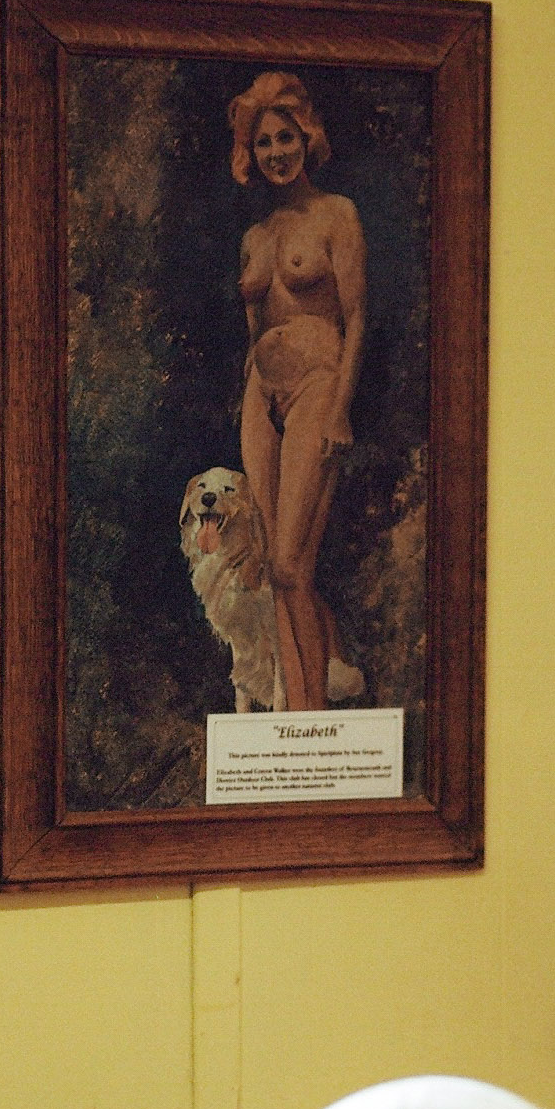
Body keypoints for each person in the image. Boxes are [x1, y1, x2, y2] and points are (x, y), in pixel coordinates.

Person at [231, 70, 367, 713]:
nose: (277, 153)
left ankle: (312, 713)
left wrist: (340, 409)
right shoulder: (254, 239)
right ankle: (295, 713)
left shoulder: (338, 215)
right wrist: (252, 397)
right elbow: (255, 331)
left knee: (292, 564)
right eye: (264, 144)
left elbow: (357, 317)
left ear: (305, 137)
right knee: (269, 565)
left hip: (318, 385)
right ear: (250, 153)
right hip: (262, 396)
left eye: (286, 138)